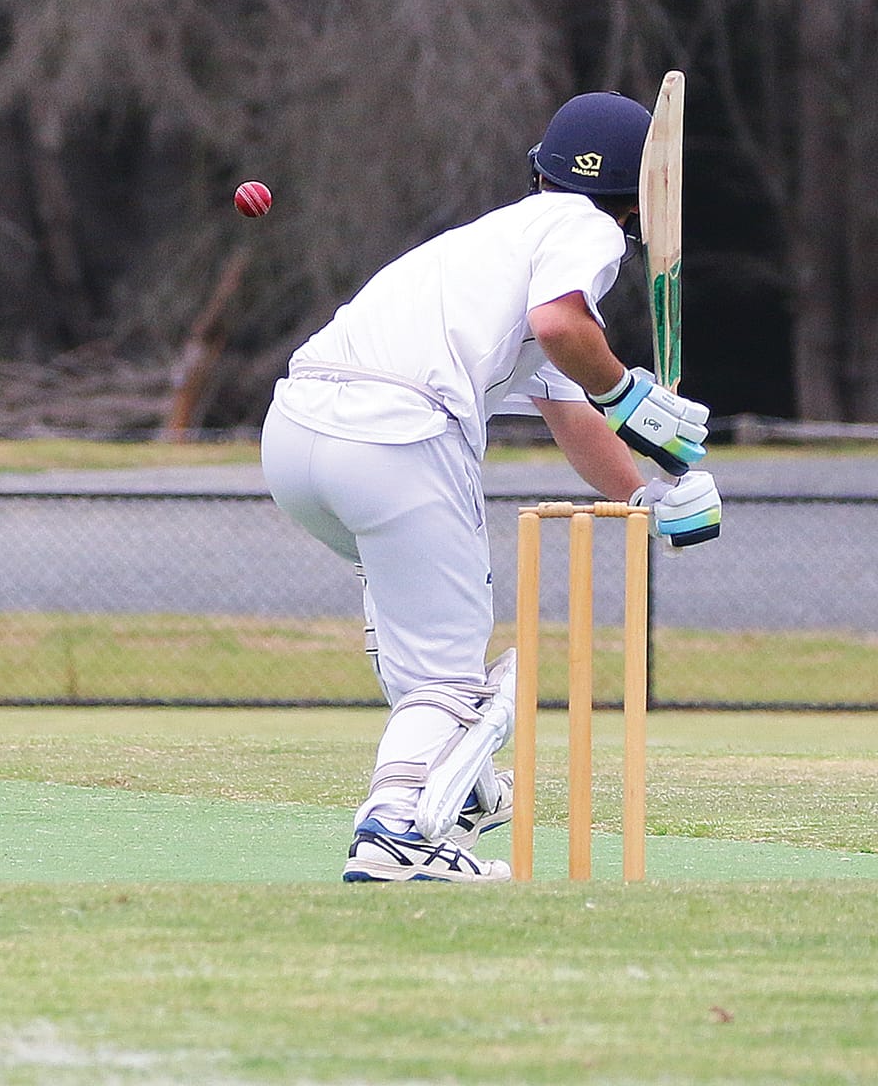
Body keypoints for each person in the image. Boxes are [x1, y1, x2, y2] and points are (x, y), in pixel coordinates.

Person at [260, 90, 723, 882]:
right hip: (398, 434)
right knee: (448, 674)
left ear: (540, 170)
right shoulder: (583, 228)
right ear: (644, 197)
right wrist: (636, 399)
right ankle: (399, 828)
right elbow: (563, 332)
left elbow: (570, 408)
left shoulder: (494, 239)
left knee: (422, 637)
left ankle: (461, 789)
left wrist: (646, 493)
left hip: (296, 435)